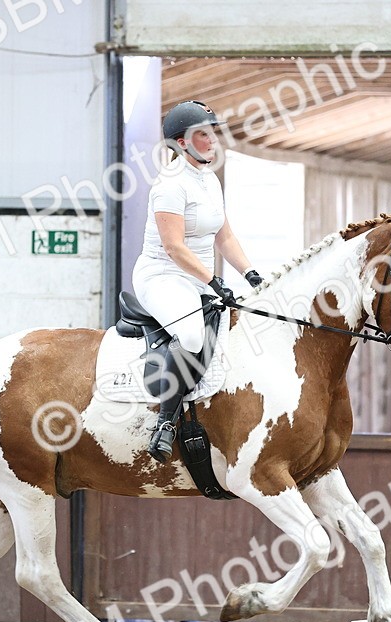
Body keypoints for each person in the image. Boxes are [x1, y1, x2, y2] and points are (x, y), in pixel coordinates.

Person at [133, 100, 263, 463]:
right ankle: (164, 422)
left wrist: (250, 273)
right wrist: (214, 280)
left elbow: (225, 237)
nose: (213, 140)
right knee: (191, 335)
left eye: (212, 133)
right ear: (182, 143)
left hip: (200, 279)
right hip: (164, 276)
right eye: (203, 134)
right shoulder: (170, 185)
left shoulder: (209, 180)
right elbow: (174, 247)